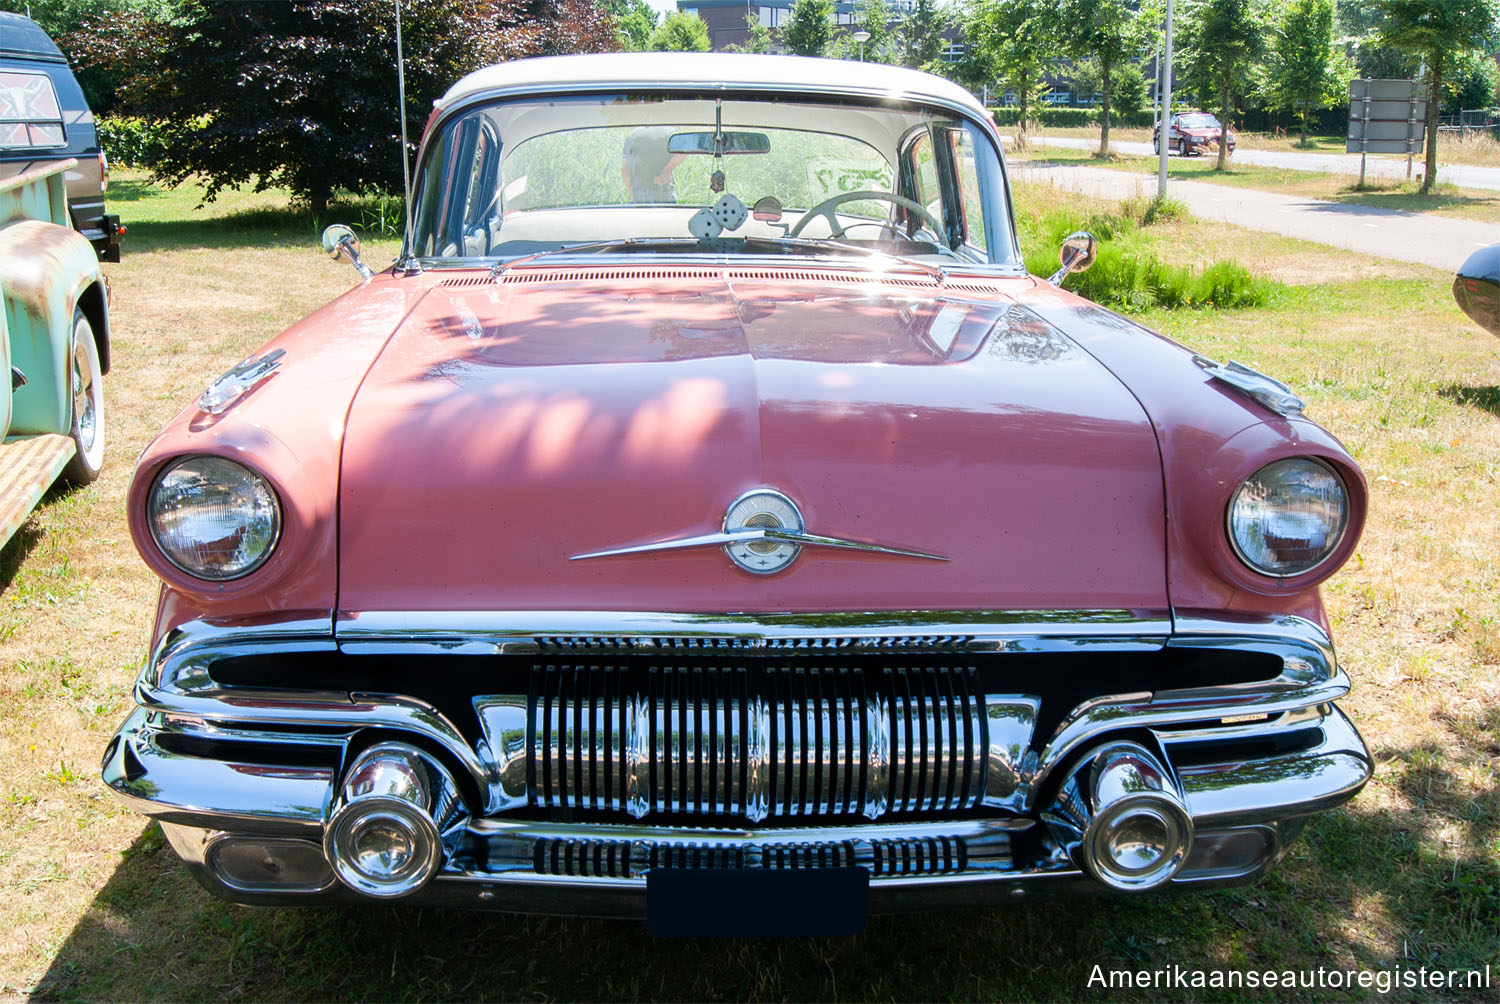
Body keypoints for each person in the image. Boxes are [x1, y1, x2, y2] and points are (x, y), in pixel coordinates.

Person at [622, 126, 688, 203]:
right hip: (664, 192)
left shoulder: (633, 135)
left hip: (639, 195)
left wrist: (632, 194)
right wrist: (666, 171)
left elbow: (625, 170)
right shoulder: (668, 132)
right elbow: (683, 152)